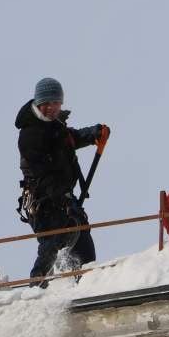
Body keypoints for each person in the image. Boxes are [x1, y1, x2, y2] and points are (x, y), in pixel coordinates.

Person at [15, 77, 108, 283]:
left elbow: (70, 139)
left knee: (83, 244)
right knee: (54, 239)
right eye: (46, 103)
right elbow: (42, 174)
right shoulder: (30, 134)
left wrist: (93, 134)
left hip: (65, 198)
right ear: (38, 104)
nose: (51, 107)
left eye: (55, 103)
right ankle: (37, 284)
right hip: (43, 200)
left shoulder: (56, 126)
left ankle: (84, 283)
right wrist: (63, 200)